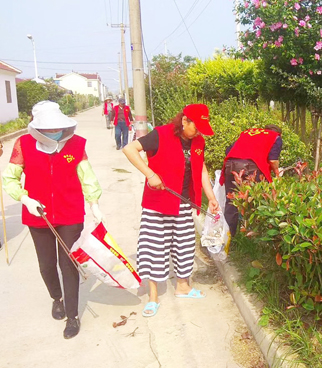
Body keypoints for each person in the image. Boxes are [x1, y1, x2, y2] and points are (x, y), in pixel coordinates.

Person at [1, 100, 103, 339]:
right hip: (38, 213)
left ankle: (72, 315)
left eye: (56, 127)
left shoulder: (76, 144)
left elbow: (87, 176)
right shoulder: (23, 144)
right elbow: (9, 178)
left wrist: (94, 203)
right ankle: (56, 298)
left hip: (70, 213)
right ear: (37, 127)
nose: (54, 131)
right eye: (48, 128)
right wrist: (24, 199)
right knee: (46, 265)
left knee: (69, 263)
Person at [122, 104, 219, 318]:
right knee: (154, 248)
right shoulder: (161, 134)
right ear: (184, 121)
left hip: (183, 201)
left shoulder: (198, 142)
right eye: (196, 127)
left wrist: (211, 197)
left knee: (185, 246)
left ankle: (183, 286)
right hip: (157, 203)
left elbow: (201, 169)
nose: (199, 132)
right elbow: (129, 149)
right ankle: (153, 296)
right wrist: (150, 174)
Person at [220, 125, 283, 237]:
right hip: (251, 170)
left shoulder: (249, 133)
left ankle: (228, 237)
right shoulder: (275, 137)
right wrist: (277, 174)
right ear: (279, 134)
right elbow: (273, 160)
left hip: (231, 167)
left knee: (232, 202)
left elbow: (228, 151)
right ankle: (253, 236)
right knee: (257, 202)